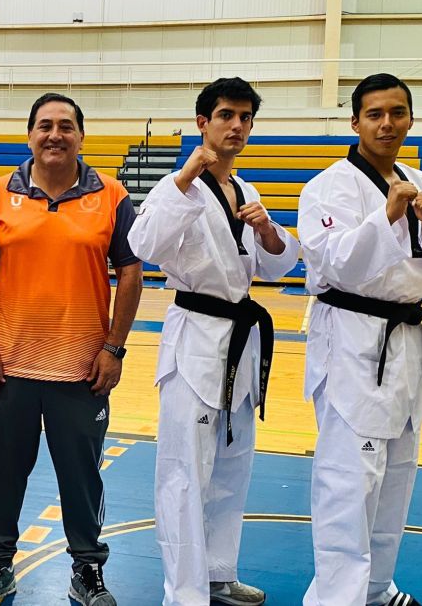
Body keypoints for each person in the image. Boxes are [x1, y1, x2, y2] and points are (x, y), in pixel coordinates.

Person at [0, 93, 143, 606]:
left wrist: (114, 349)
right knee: (0, 475)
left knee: (81, 479)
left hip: (83, 370)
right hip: (7, 367)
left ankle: (87, 568)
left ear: (81, 135)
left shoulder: (112, 196)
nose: (54, 134)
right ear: (30, 135)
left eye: (65, 126)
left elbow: (131, 274)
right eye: (45, 125)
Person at [128, 77, 299, 606]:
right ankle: (184, 593)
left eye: (246, 118)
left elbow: (276, 266)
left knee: (232, 465)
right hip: (195, 340)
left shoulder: (247, 191)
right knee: (185, 474)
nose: (237, 126)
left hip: (240, 343)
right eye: (226, 115)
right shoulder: (177, 185)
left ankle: (219, 573)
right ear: (203, 122)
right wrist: (184, 178)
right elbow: (143, 243)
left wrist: (268, 231)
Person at [298, 73, 422, 606]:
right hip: (352, 342)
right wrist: (387, 214)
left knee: (396, 477)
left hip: (406, 343)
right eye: (375, 114)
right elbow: (333, 263)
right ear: (355, 122)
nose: (387, 124)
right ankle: (335, 598)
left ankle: (375, 588)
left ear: (411, 119)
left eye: (397, 113)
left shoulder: (420, 179)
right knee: (350, 481)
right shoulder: (327, 187)